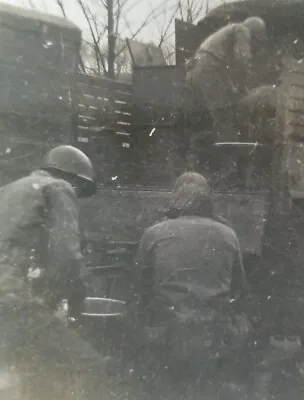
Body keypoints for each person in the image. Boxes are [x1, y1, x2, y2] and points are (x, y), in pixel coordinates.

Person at [0, 145, 108, 399]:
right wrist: (75, 302)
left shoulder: (8, 190)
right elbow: (67, 258)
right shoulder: (59, 188)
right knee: (90, 366)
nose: (76, 196)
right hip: (16, 300)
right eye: (80, 191)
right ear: (72, 177)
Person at [133, 172, 251, 399]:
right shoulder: (229, 235)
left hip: (167, 331)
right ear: (208, 201)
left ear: (175, 198)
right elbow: (240, 290)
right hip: (212, 333)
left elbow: (140, 285)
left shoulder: (154, 233)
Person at [185, 16, 269, 146]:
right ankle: (226, 160)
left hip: (194, 73)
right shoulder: (242, 30)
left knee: (208, 123)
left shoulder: (226, 34)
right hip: (208, 72)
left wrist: (236, 88)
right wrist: (248, 84)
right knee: (225, 119)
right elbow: (242, 59)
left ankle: (200, 157)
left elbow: (226, 72)